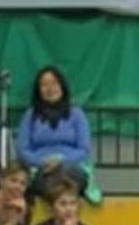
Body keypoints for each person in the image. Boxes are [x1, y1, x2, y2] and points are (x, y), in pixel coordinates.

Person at [17, 66, 101, 205]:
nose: (50, 88)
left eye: (54, 83)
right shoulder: (30, 115)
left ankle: (62, 207)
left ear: (62, 86)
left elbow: (83, 149)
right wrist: (41, 162)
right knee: (50, 178)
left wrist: (60, 160)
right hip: (41, 170)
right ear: (38, 90)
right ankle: (65, 207)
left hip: (71, 169)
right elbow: (23, 150)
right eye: (44, 85)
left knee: (64, 172)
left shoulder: (77, 114)